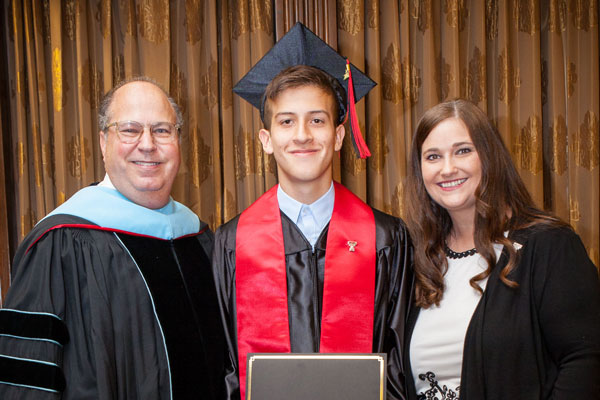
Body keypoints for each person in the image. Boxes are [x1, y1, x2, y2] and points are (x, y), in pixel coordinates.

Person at [212, 23, 412, 400]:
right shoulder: (232, 243)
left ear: (338, 136)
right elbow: (225, 369)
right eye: (286, 121)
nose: (302, 134)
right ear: (266, 140)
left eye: (317, 120)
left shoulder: (385, 238)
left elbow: (398, 365)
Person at [0, 77, 226, 399]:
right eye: (130, 130)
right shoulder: (61, 243)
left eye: (162, 130)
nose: (147, 144)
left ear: (178, 141)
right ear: (103, 142)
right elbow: (28, 381)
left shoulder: (199, 237)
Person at [403, 98, 600, 399]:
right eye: (432, 156)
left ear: (489, 156)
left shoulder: (548, 245)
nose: (447, 168)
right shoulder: (418, 258)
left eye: (463, 151)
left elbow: (585, 360)